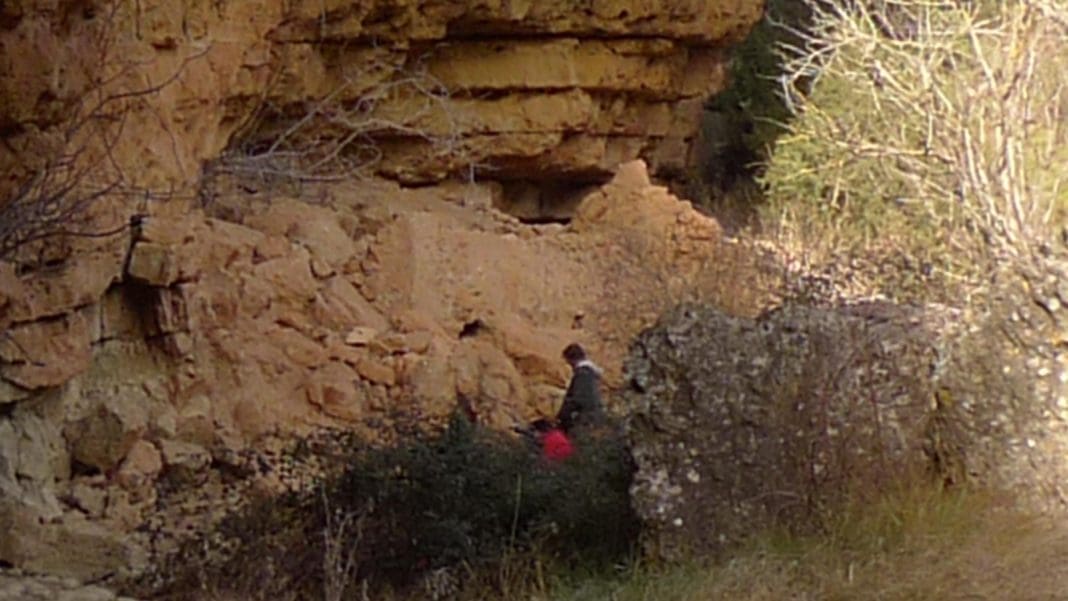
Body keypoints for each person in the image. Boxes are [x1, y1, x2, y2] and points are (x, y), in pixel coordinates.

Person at [555, 343, 605, 433]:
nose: (570, 367)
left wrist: (563, 415)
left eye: (569, 363)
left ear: (573, 360)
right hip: (593, 419)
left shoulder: (583, 374)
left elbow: (579, 398)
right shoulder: (590, 374)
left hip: (584, 420)